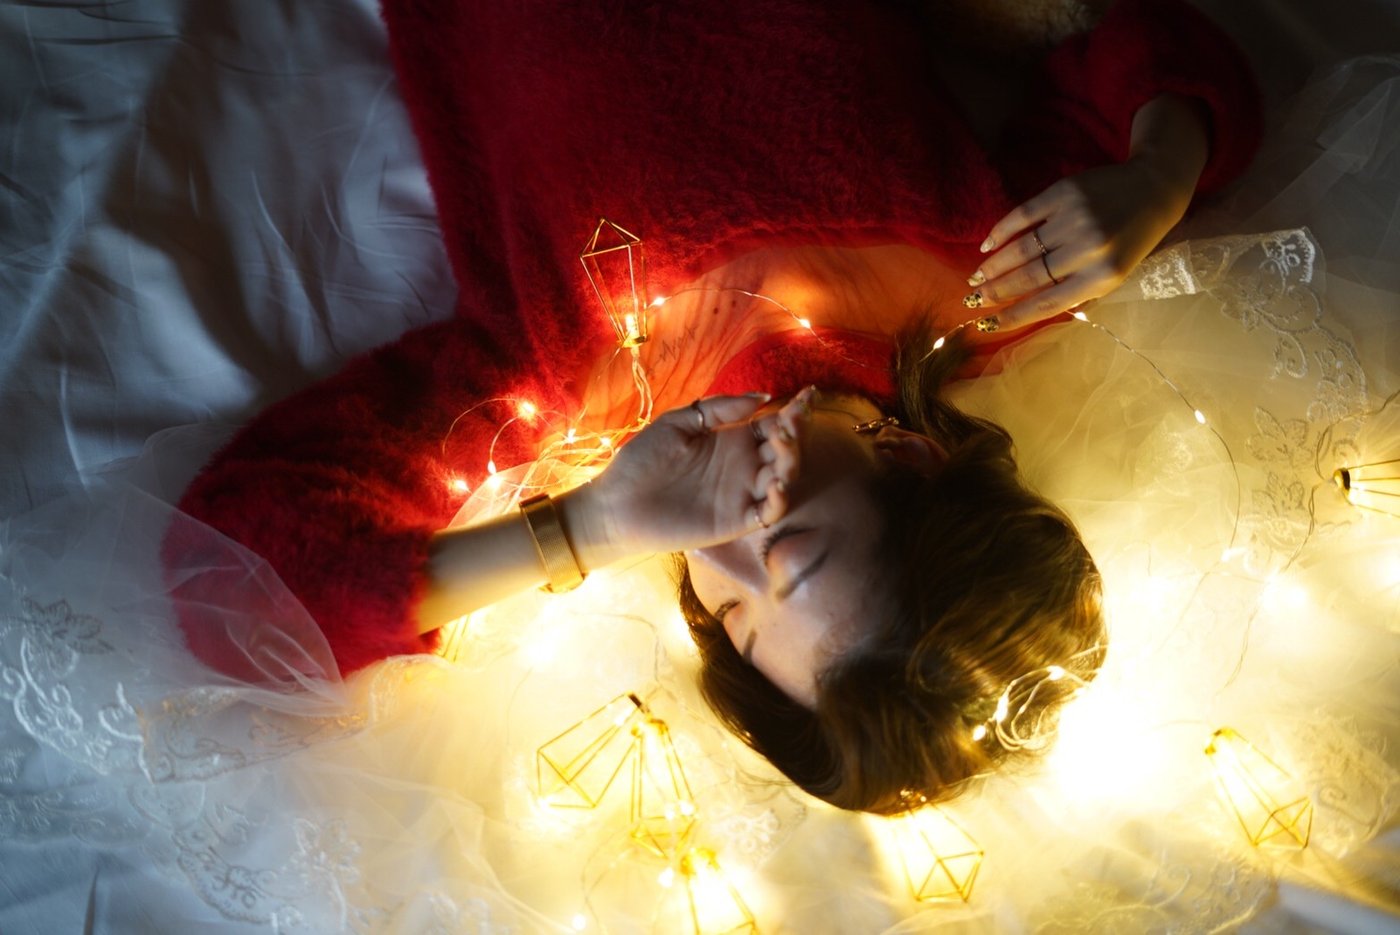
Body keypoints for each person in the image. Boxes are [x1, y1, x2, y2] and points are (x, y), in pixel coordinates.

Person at [166, 0, 1263, 813]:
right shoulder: (976, 284)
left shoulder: (548, 393)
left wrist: (586, 527)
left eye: (730, 613)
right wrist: (1159, 177)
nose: (714, 546)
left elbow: (237, 581)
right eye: (786, 546)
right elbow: (1147, 48)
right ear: (912, 459)